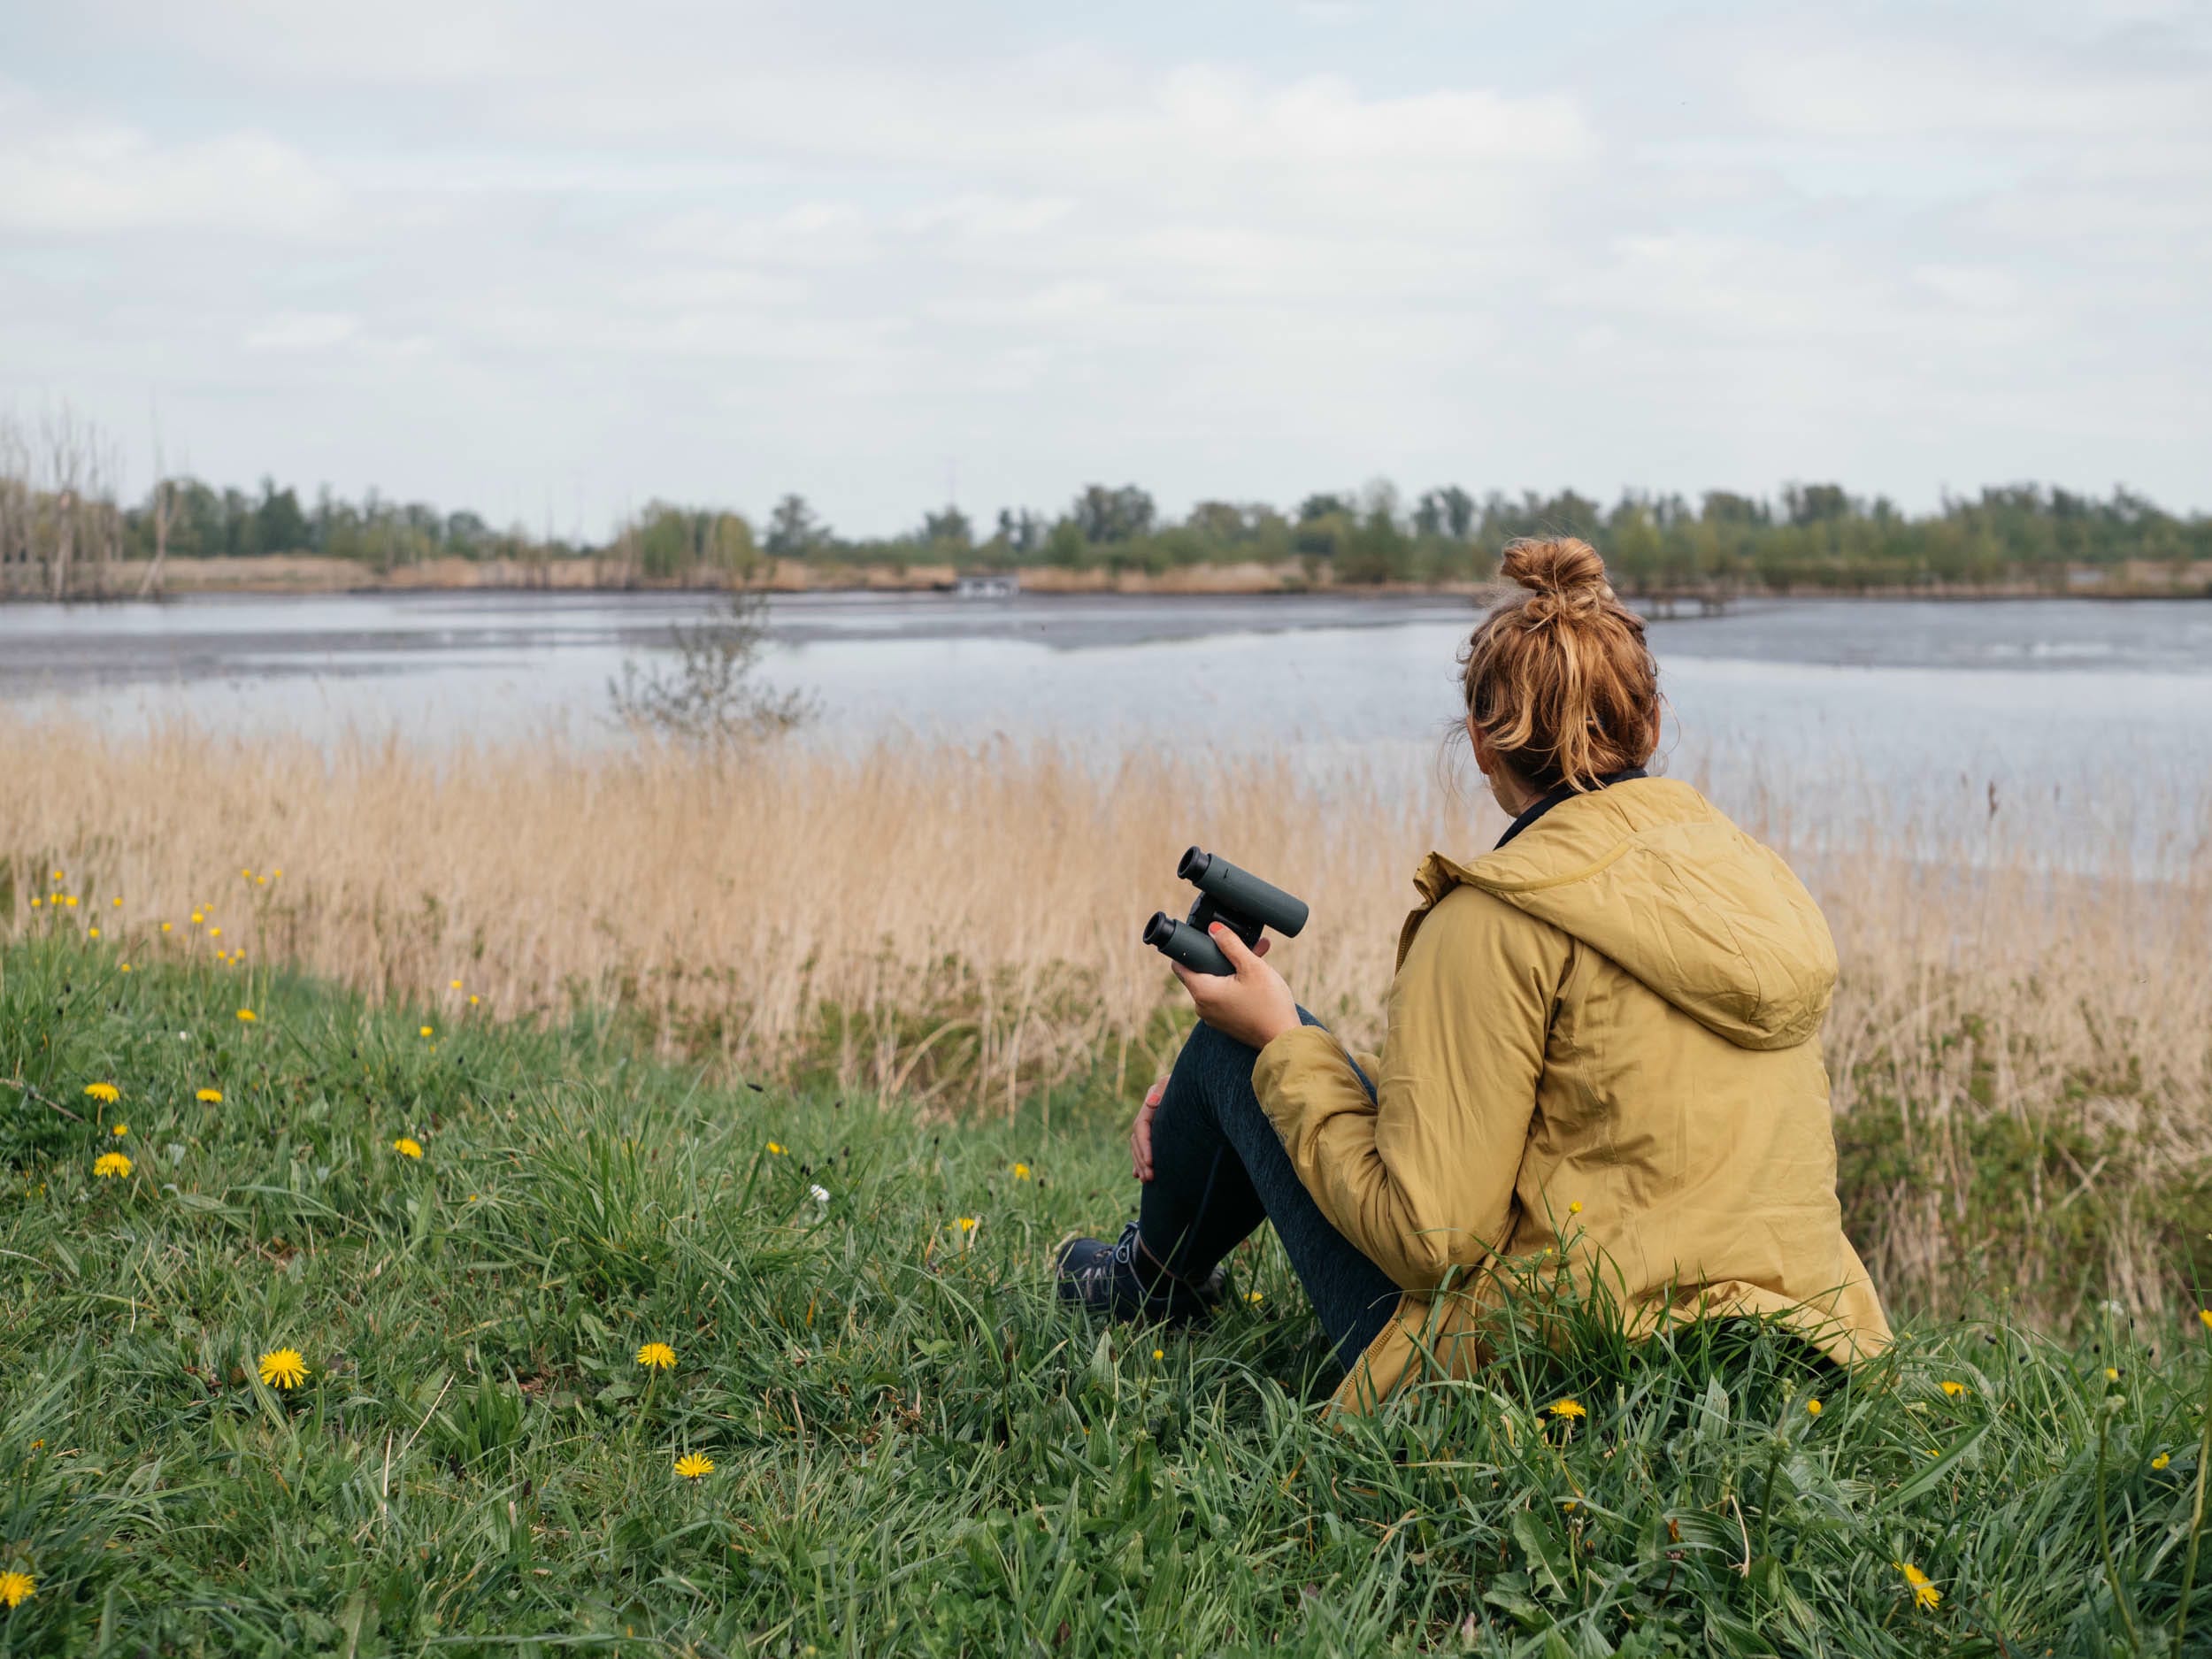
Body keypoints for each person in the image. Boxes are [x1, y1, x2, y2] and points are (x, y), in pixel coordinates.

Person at [1055, 536, 1891, 1412]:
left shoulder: (1494, 917)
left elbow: (1432, 1238)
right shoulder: (1753, 880)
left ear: (1484, 745)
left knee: (1235, 1055)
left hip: (1558, 1366)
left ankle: (1145, 1282)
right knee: (1278, 1053)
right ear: (1648, 724)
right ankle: (1158, 1260)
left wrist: (1277, 1045)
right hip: (1792, 1345)